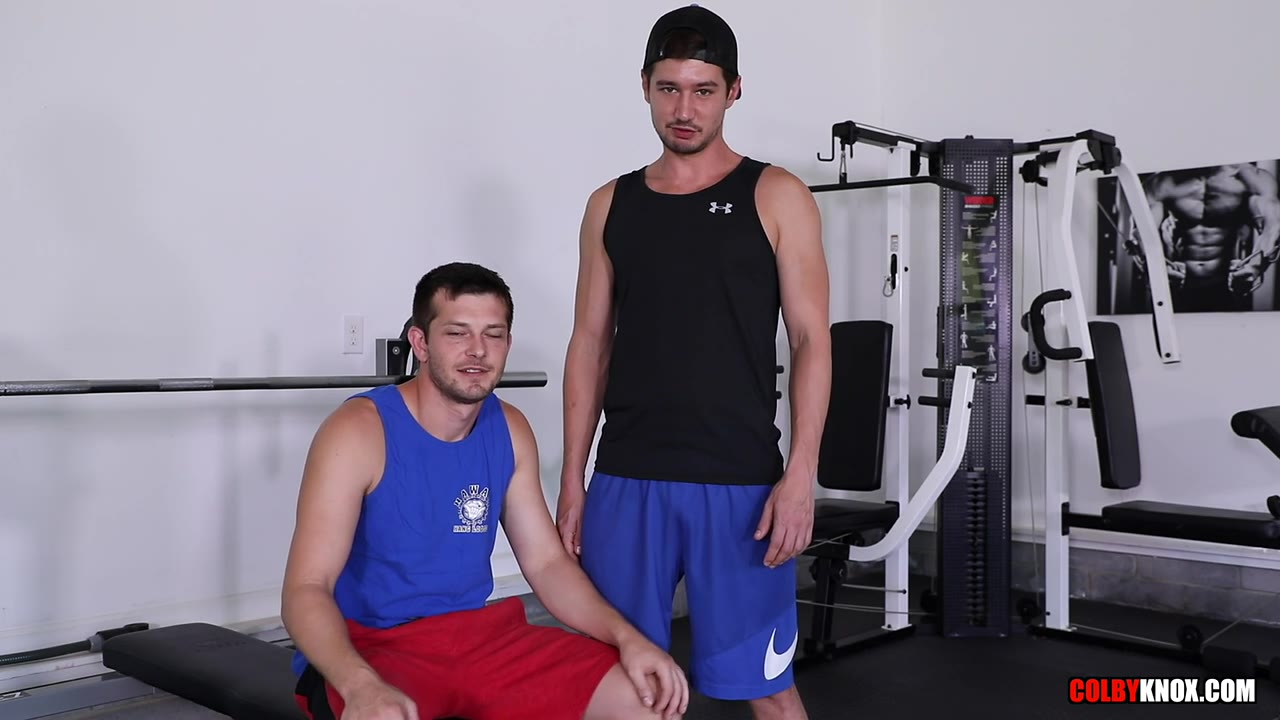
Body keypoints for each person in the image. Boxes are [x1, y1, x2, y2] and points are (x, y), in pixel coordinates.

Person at [556, 6, 831, 720]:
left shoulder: (777, 195)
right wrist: (573, 480)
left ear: (734, 90)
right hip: (626, 478)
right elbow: (589, 342)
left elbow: (810, 339)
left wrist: (801, 475)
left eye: (703, 90)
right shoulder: (609, 204)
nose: (684, 109)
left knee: (767, 687)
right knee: (621, 682)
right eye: (669, 88)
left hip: (738, 482)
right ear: (645, 86)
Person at [281, 262, 690, 720]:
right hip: (371, 647)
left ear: (507, 344)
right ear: (420, 343)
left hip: (478, 639)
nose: (477, 350)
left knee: (649, 699)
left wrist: (627, 638)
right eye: (457, 333)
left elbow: (547, 563)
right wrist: (359, 685)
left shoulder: (509, 428)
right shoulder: (357, 432)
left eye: (493, 335)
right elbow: (307, 588)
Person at [1127, 162, 1280, 312]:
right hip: (1176, 282)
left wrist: (1255, 265)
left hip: (1227, 284)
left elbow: (1273, 227)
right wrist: (1156, 269)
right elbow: (1140, 234)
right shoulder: (1161, 183)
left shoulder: (1251, 178)